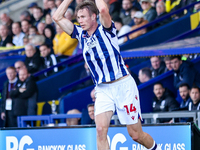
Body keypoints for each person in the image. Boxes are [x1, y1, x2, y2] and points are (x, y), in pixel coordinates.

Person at [53, 0, 160, 149]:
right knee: (100, 130)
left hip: (123, 85)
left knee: (136, 135)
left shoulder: (106, 29)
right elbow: (57, 17)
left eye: (83, 17)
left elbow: (103, 9)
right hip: (103, 89)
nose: (80, 21)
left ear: (94, 16)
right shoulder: (80, 35)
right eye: (78, 18)